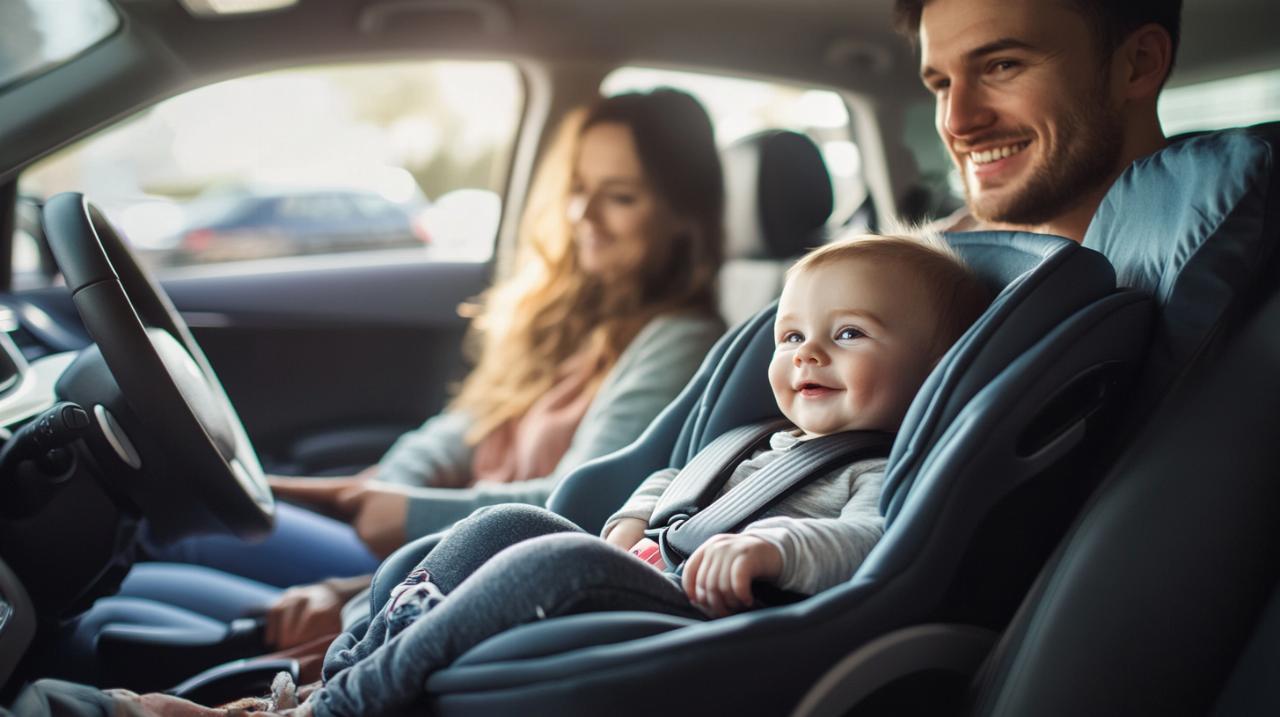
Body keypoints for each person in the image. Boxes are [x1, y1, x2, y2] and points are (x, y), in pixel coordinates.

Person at [92, 231, 991, 716]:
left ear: (938, 367)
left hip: (710, 607)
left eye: (849, 335)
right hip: (652, 567)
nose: (807, 357)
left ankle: (344, 710)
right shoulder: (760, 440)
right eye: (791, 335)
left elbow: (866, 538)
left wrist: (773, 545)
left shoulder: (878, 465)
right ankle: (310, 690)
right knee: (488, 534)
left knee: (539, 565)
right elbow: (672, 480)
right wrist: (638, 520)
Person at [44, 88, 729, 686]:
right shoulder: (577, 316)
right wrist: (376, 495)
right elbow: (456, 432)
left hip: (458, 561)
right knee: (131, 589)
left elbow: (582, 500)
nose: (584, 214)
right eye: (578, 187)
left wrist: (396, 515)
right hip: (412, 541)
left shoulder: (679, 340)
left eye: (621, 196)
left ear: (683, 217)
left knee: (167, 552)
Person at [897, 0, 1181, 243]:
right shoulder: (927, 270)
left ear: (1139, 64)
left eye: (1002, 66)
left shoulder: (1213, 267)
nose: (956, 123)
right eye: (943, 84)